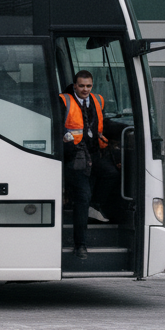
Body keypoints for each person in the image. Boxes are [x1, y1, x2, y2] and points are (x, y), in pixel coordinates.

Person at [60, 70, 120, 259]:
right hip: (75, 157)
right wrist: (66, 146)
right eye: (81, 86)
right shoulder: (64, 101)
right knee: (82, 197)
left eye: (88, 86)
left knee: (112, 173)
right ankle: (80, 245)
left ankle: (96, 205)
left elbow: (103, 124)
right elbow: (57, 127)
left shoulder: (97, 100)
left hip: (94, 153)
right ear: (75, 86)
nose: (85, 89)